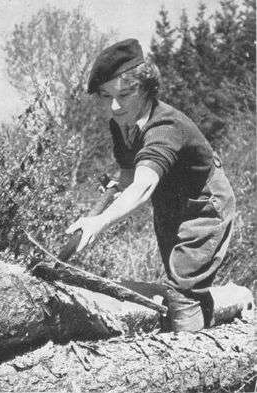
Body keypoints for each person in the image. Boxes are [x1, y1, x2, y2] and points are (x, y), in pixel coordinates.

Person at [66, 39, 236, 332]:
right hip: (169, 204)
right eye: (106, 96)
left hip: (205, 205)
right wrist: (115, 189)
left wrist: (100, 222)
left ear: (146, 87)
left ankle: (189, 365)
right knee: (186, 283)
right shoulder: (120, 123)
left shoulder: (165, 127)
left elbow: (143, 187)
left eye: (125, 94)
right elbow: (130, 173)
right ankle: (209, 345)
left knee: (180, 288)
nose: (114, 106)